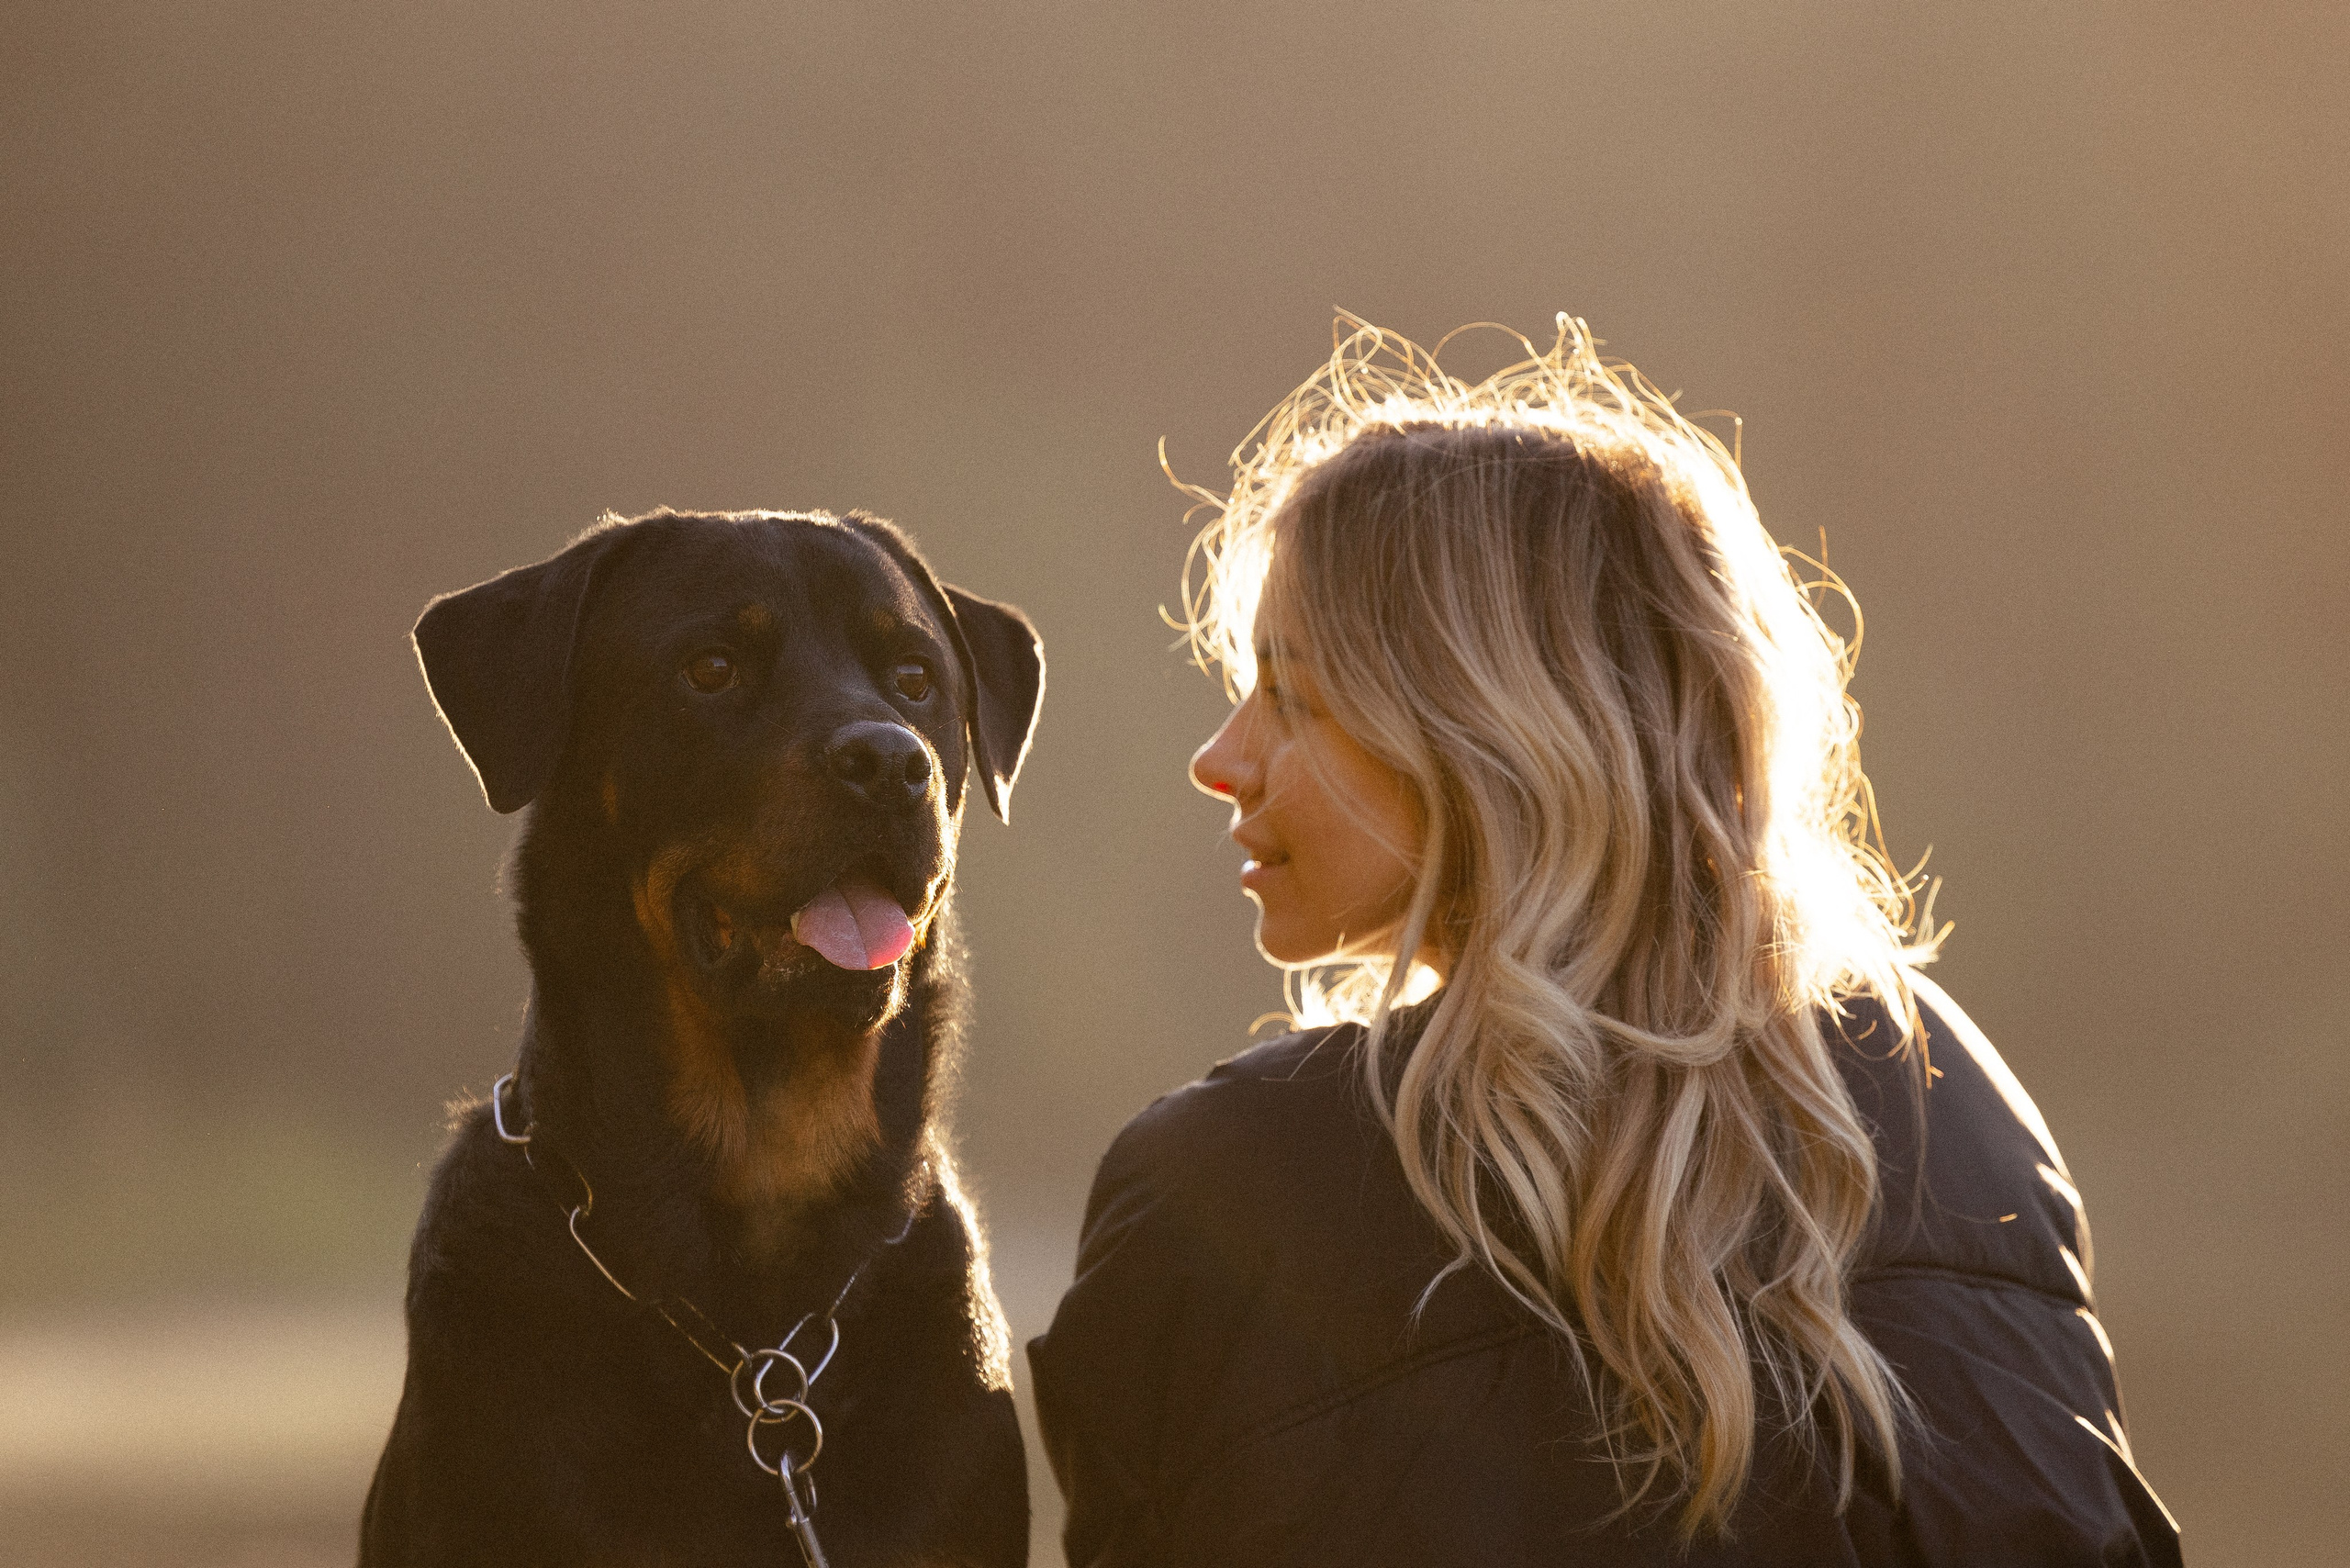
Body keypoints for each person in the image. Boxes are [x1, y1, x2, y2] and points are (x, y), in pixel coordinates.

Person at [1027, 318, 2183, 1565]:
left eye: (1294, 698)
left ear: (1487, 737)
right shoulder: (1940, 1102)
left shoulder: (1219, 1189)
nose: (1221, 761)